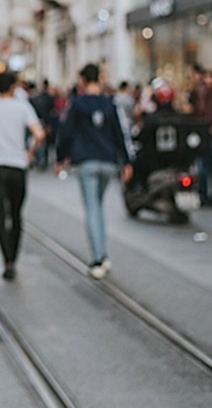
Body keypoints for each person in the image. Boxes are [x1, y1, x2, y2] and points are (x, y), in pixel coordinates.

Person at [55, 63, 134, 280]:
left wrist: (60, 158)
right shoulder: (110, 104)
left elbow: (66, 132)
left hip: (87, 163)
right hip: (108, 162)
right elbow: (119, 132)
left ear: (82, 80)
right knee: (97, 207)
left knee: (92, 209)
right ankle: (102, 253)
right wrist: (126, 162)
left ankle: (98, 258)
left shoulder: (77, 104)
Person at [0, 71, 45, 280]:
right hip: (17, 166)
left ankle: (6, 260)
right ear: (13, 87)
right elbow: (39, 134)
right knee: (15, 214)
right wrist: (29, 153)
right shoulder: (22, 107)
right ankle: (13, 258)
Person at [188, 66, 212, 207]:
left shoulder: (201, 91)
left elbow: (201, 111)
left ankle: (206, 195)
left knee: (204, 165)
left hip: (203, 132)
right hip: (210, 131)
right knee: (210, 166)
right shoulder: (211, 93)